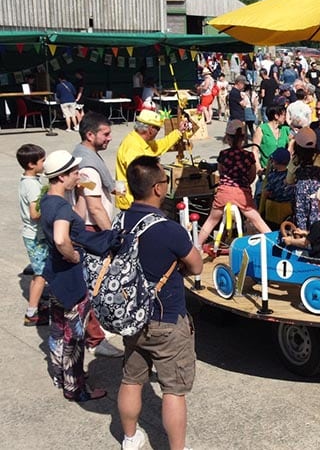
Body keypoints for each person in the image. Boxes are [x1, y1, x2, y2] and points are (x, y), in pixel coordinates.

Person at [118, 155, 204, 450]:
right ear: (157, 188)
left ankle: (130, 438)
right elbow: (196, 266)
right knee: (173, 390)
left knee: (131, 379)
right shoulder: (168, 229)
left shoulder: (119, 221)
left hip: (131, 316)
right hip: (167, 318)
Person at [39, 150, 107, 402]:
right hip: (70, 277)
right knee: (75, 335)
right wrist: (73, 255)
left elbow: (74, 219)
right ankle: (75, 387)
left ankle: (60, 374)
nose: (79, 175)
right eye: (75, 173)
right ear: (62, 176)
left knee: (58, 328)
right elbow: (61, 238)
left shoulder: (49, 201)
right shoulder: (59, 207)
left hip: (55, 274)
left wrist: (81, 194)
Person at [72, 112, 125, 359]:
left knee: (96, 283)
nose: (109, 138)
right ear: (90, 135)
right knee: (94, 284)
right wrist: (112, 236)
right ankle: (95, 339)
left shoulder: (85, 155)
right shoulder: (88, 167)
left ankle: (97, 328)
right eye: (105, 134)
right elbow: (94, 207)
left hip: (91, 229)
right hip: (92, 230)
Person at [197, 120, 271, 246]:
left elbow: (221, 172)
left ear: (227, 138)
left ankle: (197, 245)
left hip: (224, 192)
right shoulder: (249, 156)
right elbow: (252, 176)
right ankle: (273, 243)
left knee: (211, 220)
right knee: (256, 220)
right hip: (242, 193)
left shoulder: (223, 154)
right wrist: (245, 183)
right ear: (243, 137)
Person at [115, 110, 191, 210]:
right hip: (132, 202)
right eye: (158, 129)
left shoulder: (141, 140)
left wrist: (178, 132)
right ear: (151, 129)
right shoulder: (133, 147)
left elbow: (160, 146)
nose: (157, 132)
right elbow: (140, 178)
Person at [17, 144, 49, 326]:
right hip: (36, 236)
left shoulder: (27, 180)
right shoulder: (32, 186)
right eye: (42, 160)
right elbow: (35, 214)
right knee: (40, 275)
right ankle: (32, 313)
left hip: (32, 234)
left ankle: (40, 304)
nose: (45, 163)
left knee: (41, 271)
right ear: (31, 164)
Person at [287, 127, 320, 229]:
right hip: (316, 192)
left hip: (300, 193)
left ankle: (302, 236)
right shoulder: (319, 158)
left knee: (301, 219)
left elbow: (289, 179)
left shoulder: (295, 160)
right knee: (316, 219)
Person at [281, 183, 320, 262]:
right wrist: (305, 233)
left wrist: (290, 241)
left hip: (317, 261)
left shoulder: (319, 225)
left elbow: (304, 243)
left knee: (300, 255)